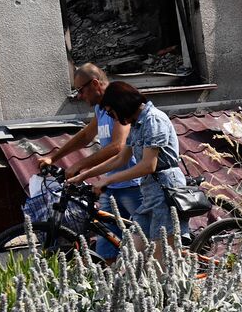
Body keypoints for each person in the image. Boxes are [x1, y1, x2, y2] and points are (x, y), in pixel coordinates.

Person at [41, 64, 142, 261]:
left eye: (81, 90)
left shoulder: (120, 105)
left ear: (95, 83)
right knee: (106, 249)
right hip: (112, 185)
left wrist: (80, 166)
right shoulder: (100, 108)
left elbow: (117, 147)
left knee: (150, 241)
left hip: (133, 185)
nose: (79, 96)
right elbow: (87, 135)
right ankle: (116, 289)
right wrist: (53, 157)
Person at [75, 82, 189, 252]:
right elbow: (120, 158)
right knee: (133, 257)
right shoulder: (137, 124)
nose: (113, 117)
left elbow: (148, 165)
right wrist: (84, 175)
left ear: (122, 105)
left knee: (161, 262)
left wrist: (108, 179)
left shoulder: (153, 119)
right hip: (150, 192)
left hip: (166, 192)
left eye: (112, 112)